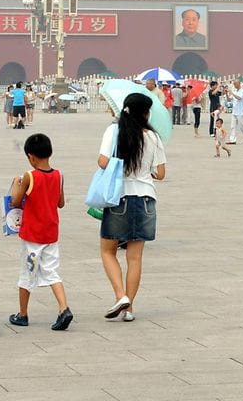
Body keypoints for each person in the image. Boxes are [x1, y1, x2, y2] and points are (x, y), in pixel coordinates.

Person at [98, 93, 166, 322]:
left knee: (108, 250)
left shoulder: (114, 131)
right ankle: (129, 308)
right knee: (135, 258)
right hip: (146, 198)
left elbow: (103, 161)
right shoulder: (153, 137)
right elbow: (161, 173)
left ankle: (120, 295)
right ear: (146, 113)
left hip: (120, 197)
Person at [8, 133, 72, 331]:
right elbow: (60, 203)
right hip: (51, 233)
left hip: (33, 235)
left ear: (31, 156)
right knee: (52, 272)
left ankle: (23, 313)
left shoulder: (29, 176)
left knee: (27, 273)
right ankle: (64, 308)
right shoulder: (58, 175)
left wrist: (17, 185)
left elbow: (16, 201)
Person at [226, 80, 243, 144]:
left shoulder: (242, 91)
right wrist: (227, 93)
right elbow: (229, 99)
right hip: (234, 111)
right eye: (234, 84)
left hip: (240, 111)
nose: (235, 85)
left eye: (235, 84)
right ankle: (232, 140)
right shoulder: (235, 91)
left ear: (239, 84)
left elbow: (239, 98)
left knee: (241, 126)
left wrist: (231, 93)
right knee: (233, 126)